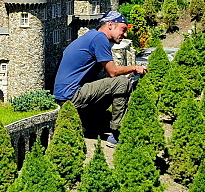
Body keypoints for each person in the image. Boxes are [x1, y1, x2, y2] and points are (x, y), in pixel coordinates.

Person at [52, 11, 147, 146]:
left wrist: (122, 75)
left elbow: (107, 76)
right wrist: (134, 68)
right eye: (123, 29)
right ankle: (117, 134)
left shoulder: (91, 36)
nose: (125, 34)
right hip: (71, 96)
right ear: (110, 25)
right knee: (122, 83)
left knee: (120, 82)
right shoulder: (99, 38)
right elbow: (113, 72)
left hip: (64, 97)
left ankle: (90, 125)